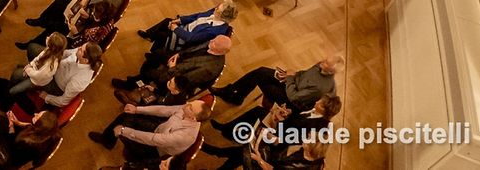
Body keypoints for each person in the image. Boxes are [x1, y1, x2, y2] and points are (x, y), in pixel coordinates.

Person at [88, 98, 209, 161]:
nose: (187, 104)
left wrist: (125, 131)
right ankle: (107, 140)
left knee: (124, 132)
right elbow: (164, 110)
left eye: (190, 106)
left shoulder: (186, 135)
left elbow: (154, 140)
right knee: (125, 116)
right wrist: (137, 109)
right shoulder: (187, 109)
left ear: (193, 117)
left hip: (155, 151)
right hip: (158, 130)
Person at [213, 54, 344, 110]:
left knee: (264, 82)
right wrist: (292, 74)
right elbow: (304, 75)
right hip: (292, 83)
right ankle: (233, 92)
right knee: (261, 71)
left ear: (331, 71)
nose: (322, 61)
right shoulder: (321, 65)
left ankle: (237, 96)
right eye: (326, 59)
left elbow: (294, 98)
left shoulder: (320, 88)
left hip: (291, 99)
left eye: (326, 62)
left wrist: (290, 78)